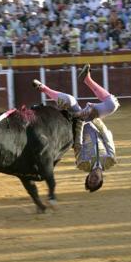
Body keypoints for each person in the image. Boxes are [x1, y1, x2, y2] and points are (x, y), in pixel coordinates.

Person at [32, 63, 120, 192]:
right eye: (95, 182)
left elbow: (77, 143)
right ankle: (87, 79)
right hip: (93, 120)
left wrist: (80, 120)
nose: (93, 180)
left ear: (88, 177)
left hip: (77, 125)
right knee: (112, 104)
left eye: (90, 181)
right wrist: (94, 117)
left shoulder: (82, 164)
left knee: (70, 100)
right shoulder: (110, 160)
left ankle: (43, 89)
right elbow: (106, 135)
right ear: (101, 180)